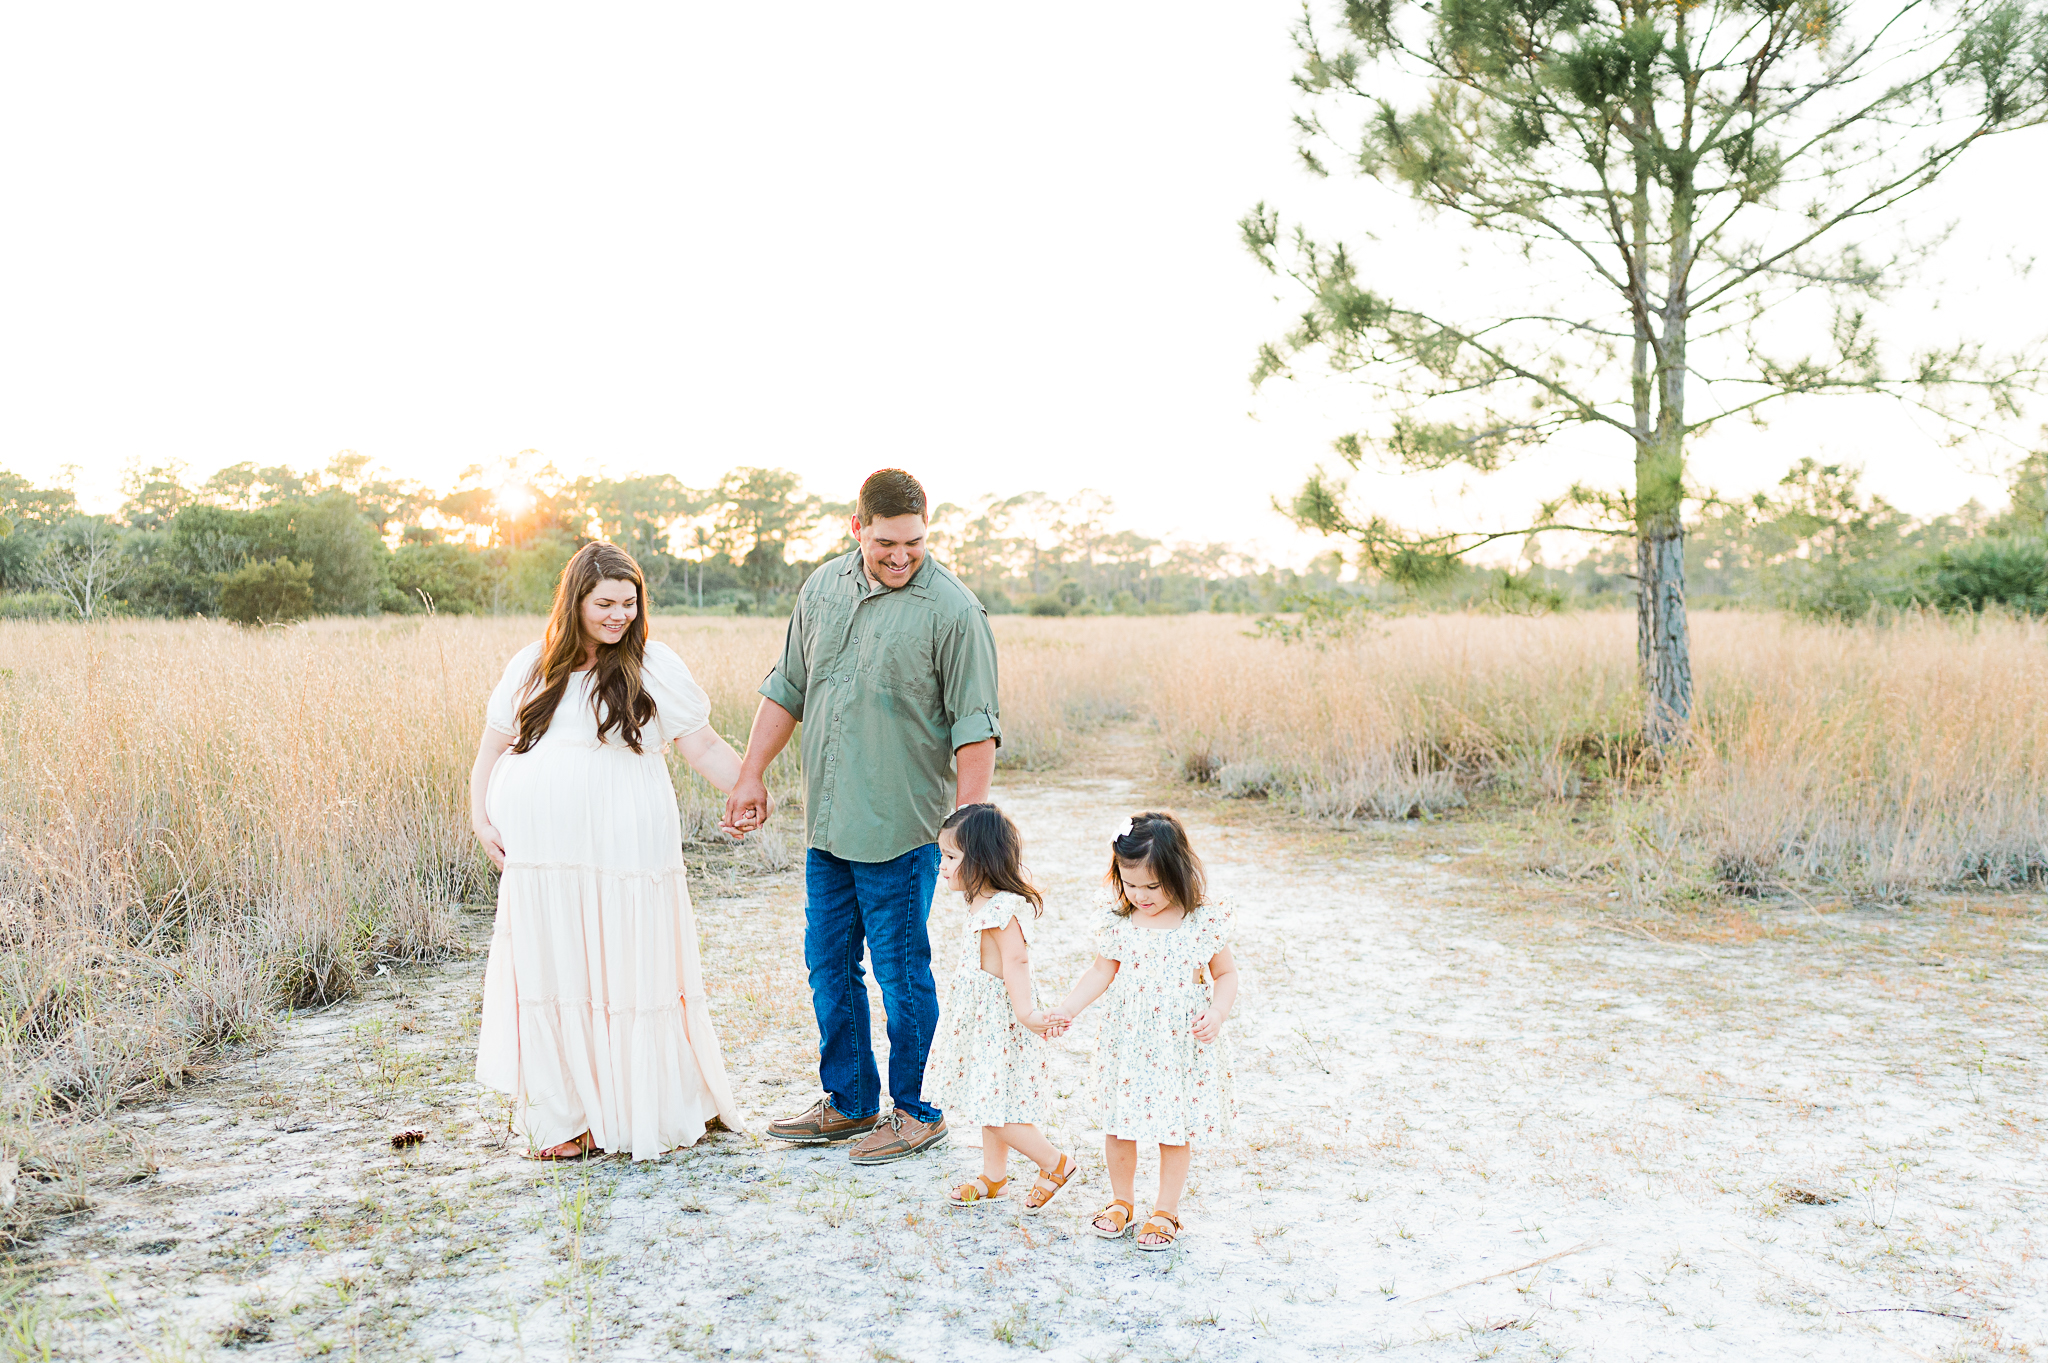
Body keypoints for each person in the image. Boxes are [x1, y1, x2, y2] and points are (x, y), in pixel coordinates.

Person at [725, 468, 1001, 1166]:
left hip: (903, 829)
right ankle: (850, 1103)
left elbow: (975, 728)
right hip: (829, 824)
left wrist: (967, 826)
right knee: (828, 965)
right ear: (857, 528)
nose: (901, 556)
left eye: (912, 542)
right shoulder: (821, 589)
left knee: (902, 974)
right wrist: (750, 772)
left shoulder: (955, 612)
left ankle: (918, 1109)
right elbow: (787, 687)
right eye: (885, 543)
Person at [470, 541, 749, 1161]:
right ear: (575, 602)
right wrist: (479, 816)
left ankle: (627, 1110)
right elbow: (492, 750)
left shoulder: (653, 665)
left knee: (627, 967)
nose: (619, 614)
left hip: (626, 851)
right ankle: (565, 1119)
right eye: (605, 603)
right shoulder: (529, 668)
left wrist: (747, 785)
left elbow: (700, 745)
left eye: (630, 602)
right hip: (543, 860)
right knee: (555, 971)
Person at [1046, 811, 1239, 1250]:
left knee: (1174, 1129)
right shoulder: (1119, 921)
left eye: (1152, 886)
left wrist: (1218, 1012)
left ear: (1179, 873)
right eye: (1130, 885)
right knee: (1119, 1125)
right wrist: (1068, 1008)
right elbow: (1100, 972)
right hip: (1128, 1040)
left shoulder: (1199, 921)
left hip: (1178, 1043)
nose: (1140, 895)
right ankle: (1121, 1201)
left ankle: (1165, 1211)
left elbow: (1226, 974)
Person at [921, 804, 1077, 1212]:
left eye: (951, 857)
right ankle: (994, 1177)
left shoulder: (1000, 911)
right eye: (943, 856)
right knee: (986, 1100)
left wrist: (1027, 1014)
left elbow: (1017, 961)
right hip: (980, 1022)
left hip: (1000, 1022)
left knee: (995, 1108)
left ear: (982, 860)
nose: (942, 866)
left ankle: (1055, 1163)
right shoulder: (980, 904)